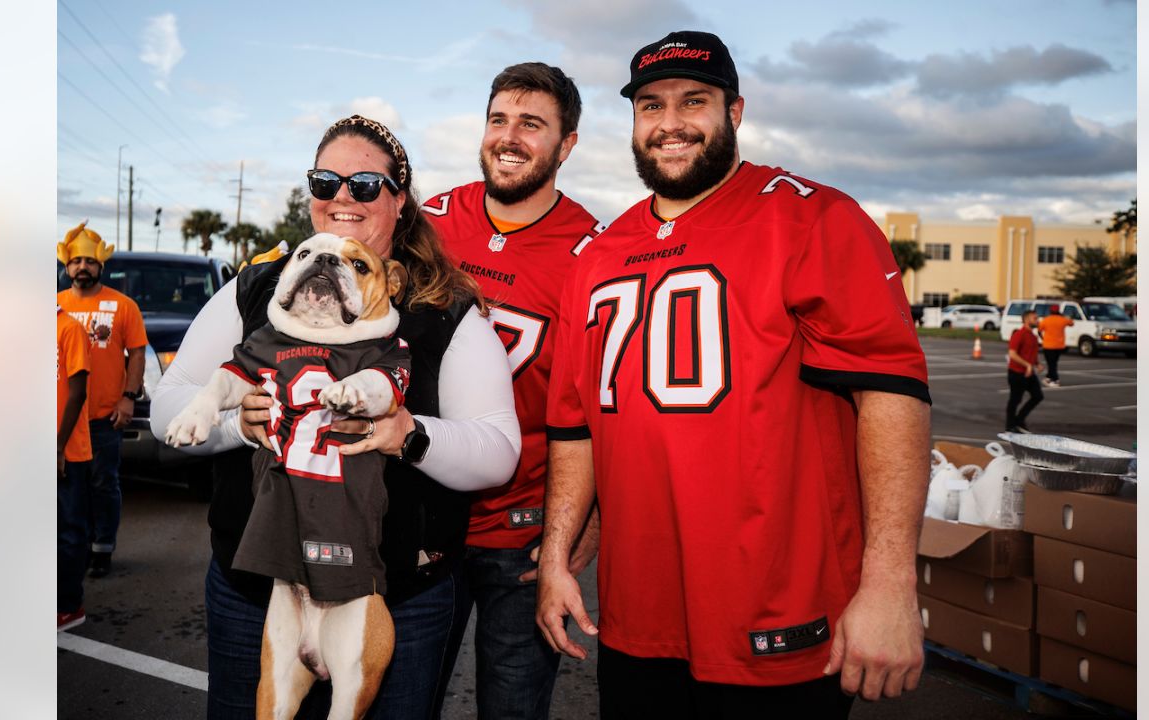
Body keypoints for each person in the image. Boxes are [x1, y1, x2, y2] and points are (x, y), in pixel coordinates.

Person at [536, 30, 932, 719]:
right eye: (651, 106)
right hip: (640, 617)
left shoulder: (812, 217)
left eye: (695, 101)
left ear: (735, 111)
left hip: (780, 612)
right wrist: (555, 556)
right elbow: (573, 427)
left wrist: (892, 584)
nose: (671, 124)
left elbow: (891, 395)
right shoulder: (598, 255)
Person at [150, 114, 522, 720]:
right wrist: (233, 426)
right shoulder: (255, 289)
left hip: (396, 595)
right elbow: (172, 402)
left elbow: (498, 448)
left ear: (400, 201)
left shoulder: (444, 311)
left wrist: (409, 434)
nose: (342, 196)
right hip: (257, 589)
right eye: (325, 182)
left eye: (366, 185)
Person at [423, 62, 603, 720]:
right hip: (423, 513)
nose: (509, 136)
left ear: (567, 143)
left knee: (514, 710)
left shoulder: (596, 252)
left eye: (531, 123)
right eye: (499, 119)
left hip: (524, 533)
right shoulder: (430, 221)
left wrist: (592, 522)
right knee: (399, 699)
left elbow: (608, 409)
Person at [57, 221, 148, 579]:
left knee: (102, 483)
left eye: (90, 262)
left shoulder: (122, 305)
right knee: (69, 491)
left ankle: (102, 549)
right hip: (64, 421)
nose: (83, 267)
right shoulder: (53, 307)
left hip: (104, 417)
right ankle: (73, 549)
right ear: (66, 267)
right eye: (76, 261)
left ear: (101, 266)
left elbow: (137, 354)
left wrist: (128, 398)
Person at [57, 305, 91, 631]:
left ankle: (70, 606)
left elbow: (77, 392)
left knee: (69, 531)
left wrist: (57, 446)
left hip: (68, 450)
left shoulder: (69, 328)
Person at [1006, 309, 1045, 431]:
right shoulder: (1019, 334)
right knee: (1015, 400)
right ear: (1027, 320)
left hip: (1028, 373)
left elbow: (1031, 353)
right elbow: (1012, 354)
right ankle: (1010, 426)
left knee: (1038, 396)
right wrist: (1028, 365)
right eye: (1035, 318)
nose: (1037, 320)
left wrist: (1037, 364)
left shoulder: (1033, 336)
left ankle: (1019, 420)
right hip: (1016, 373)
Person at [1037, 304, 1074, 386]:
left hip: (1048, 345)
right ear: (1058, 311)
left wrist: (1043, 339)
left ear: (1050, 311)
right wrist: (1064, 316)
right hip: (1059, 345)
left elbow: (1039, 330)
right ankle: (1048, 377)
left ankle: (1055, 379)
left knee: (1051, 363)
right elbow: (1071, 323)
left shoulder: (1046, 320)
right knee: (1053, 363)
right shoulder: (1063, 319)